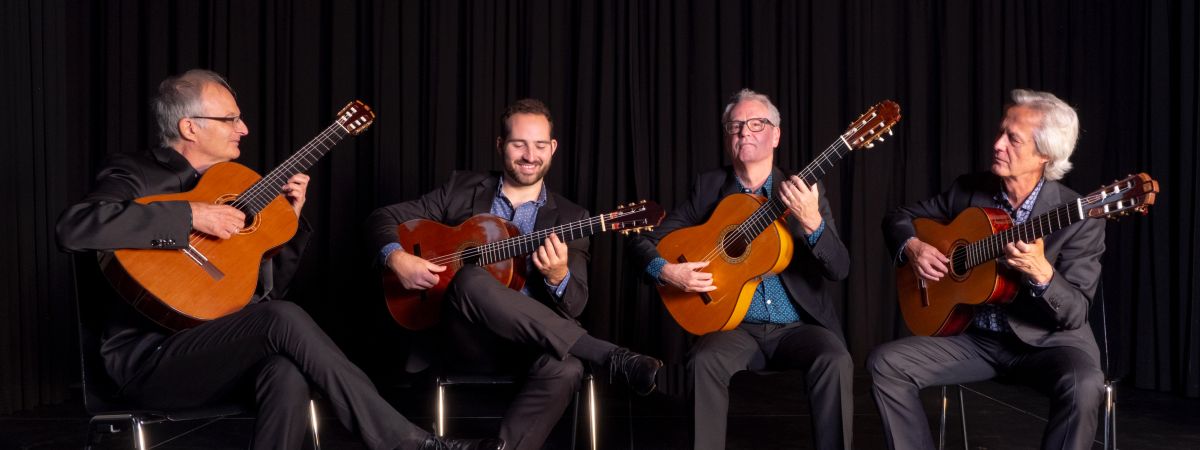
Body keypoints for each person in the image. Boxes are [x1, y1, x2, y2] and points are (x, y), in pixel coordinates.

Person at [56, 69, 501, 450]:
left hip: (217, 351)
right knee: (281, 319)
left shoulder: (235, 185)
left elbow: (261, 295)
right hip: (147, 361)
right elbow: (75, 227)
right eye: (230, 119)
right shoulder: (134, 172)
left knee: (285, 368)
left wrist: (287, 223)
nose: (244, 128)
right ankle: (407, 443)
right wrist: (191, 214)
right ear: (190, 127)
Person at [368, 98, 662, 450]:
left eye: (540, 145)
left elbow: (576, 304)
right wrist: (396, 257)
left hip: (533, 344)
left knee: (567, 369)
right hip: (466, 339)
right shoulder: (461, 188)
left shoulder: (572, 217)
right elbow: (381, 218)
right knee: (471, 279)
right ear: (500, 145)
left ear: (553, 148)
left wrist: (558, 277)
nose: (530, 155)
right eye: (518, 144)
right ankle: (611, 356)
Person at [871, 89, 1105, 450]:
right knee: (886, 364)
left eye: (1013, 139)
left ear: (1045, 154)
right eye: (1000, 132)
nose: (997, 144)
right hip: (976, 340)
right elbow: (899, 217)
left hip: (1047, 345)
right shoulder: (970, 190)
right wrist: (913, 247)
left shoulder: (1078, 217)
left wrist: (1043, 274)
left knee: (1084, 385)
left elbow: (1075, 313)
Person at [629, 89, 854, 450]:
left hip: (798, 326)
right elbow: (645, 241)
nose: (744, 132)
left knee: (836, 360)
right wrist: (666, 271)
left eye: (756, 124)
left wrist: (813, 223)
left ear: (776, 135)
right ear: (727, 137)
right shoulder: (708, 188)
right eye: (735, 126)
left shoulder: (804, 190)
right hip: (734, 327)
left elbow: (839, 268)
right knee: (703, 362)